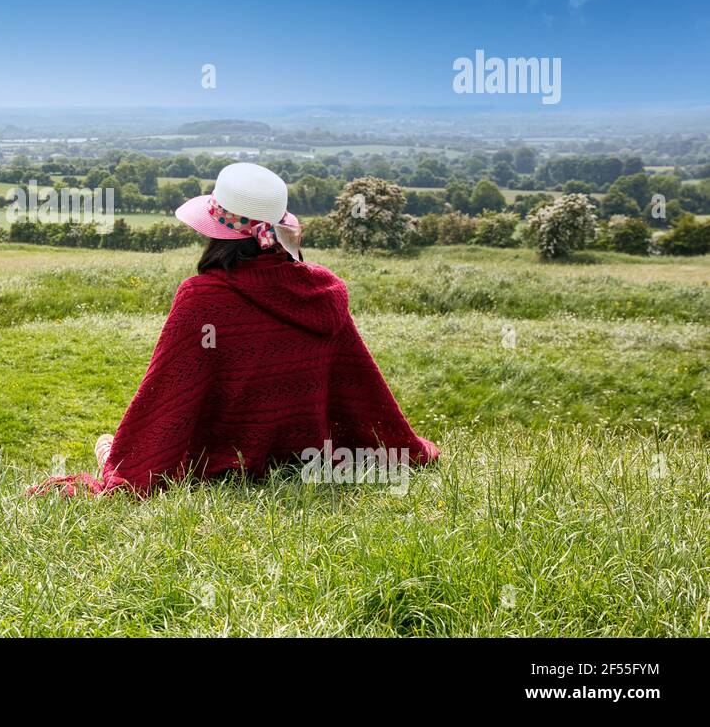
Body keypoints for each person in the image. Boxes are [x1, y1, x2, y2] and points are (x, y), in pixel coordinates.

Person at [31, 162, 439, 497]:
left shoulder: (203, 297)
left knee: (112, 447)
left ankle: (108, 450)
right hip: (306, 457)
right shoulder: (323, 293)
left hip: (226, 463)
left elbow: (166, 399)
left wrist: (127, 458)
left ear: (216, 233)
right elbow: (360, 389)